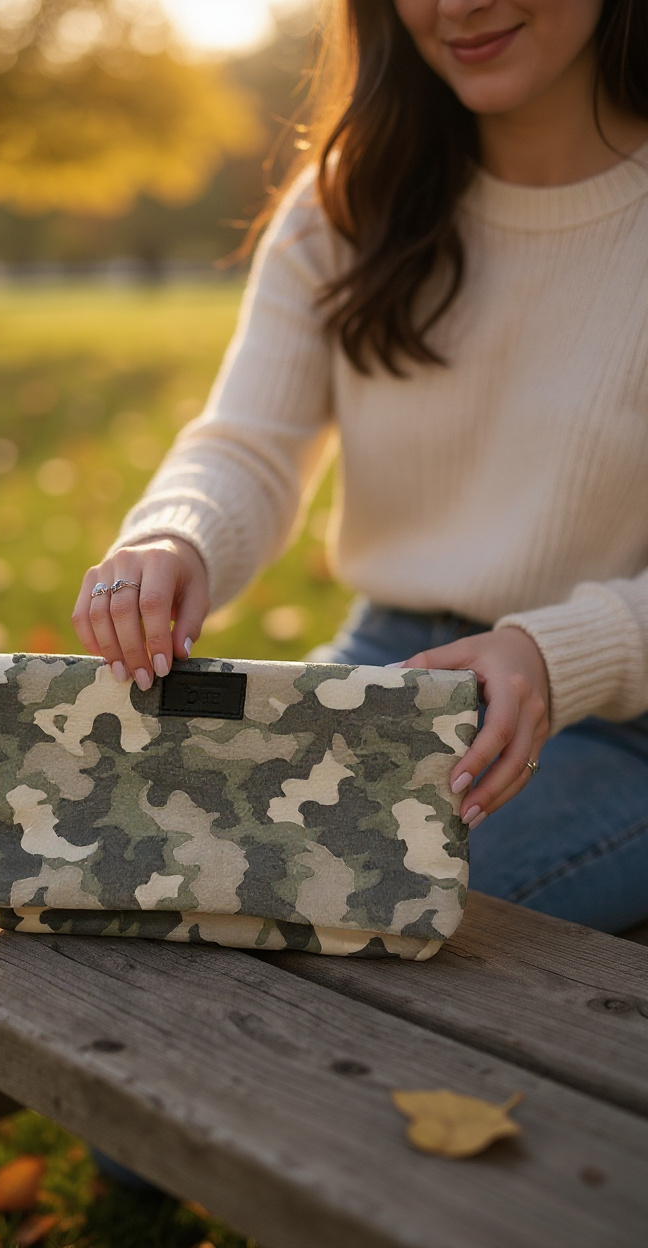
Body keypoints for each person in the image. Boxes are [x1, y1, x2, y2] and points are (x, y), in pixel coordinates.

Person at [72, 0, 648, 935]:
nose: (455, 7)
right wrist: (174, 535)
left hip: (621, 722)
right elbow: (248, 443)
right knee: (141, 853)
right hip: (387, 669)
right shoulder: (350, 197)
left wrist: (551, 652)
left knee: (327, 903)